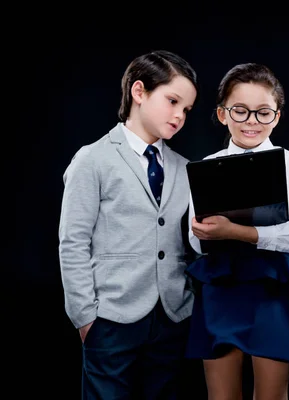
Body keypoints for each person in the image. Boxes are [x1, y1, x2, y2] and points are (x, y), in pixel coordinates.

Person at [184, 62, 289, 400]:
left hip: (273, 282)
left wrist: (234, 231)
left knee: (271, 394)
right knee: (221, 395)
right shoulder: (206, 166)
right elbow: (196, 240)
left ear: (276, 116)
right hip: (221, 283)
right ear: (223, 114)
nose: (251, 120)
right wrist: (205, 233)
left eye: (263, 112)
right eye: (241, 111)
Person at [58, 50, 198, 399]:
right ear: (139, 92)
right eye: (172, 101)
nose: (180, 115)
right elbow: (73, 242)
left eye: (187, 110)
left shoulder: (184, 167)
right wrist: (85, 317)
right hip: (110, 316)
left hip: (172, 316)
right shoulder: (93, 158)